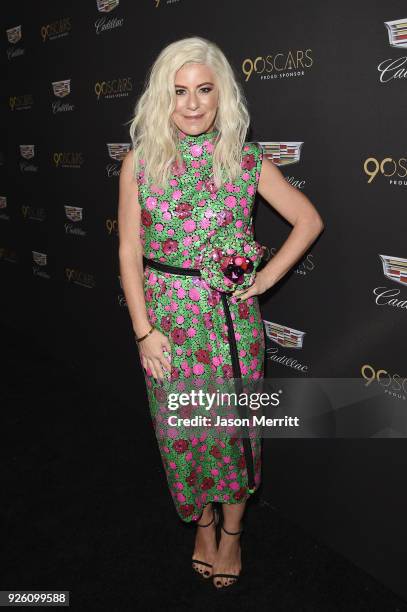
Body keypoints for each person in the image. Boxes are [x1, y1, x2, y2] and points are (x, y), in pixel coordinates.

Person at [118, 36, 324, 590]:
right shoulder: (141, 162)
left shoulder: (245, 159)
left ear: (221, 95)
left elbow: (308, 220)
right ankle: (202, 524)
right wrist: (143, 332)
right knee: (181, 431)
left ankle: (231, 534)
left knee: (231, 432)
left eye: (203, 90)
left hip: (231, 326)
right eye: (179, 91)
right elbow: (129, 252)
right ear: (163, 97)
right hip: (166, 327)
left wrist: (263, 280)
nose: (191, 103)